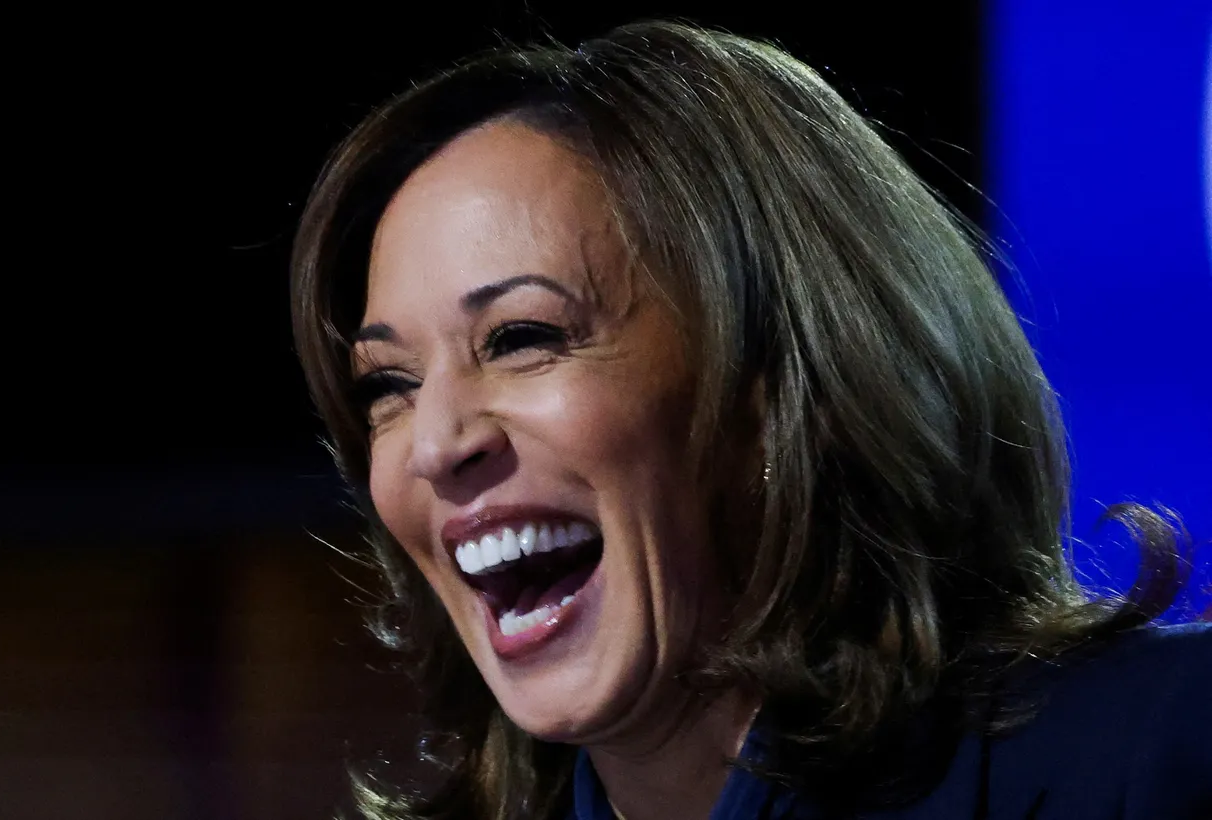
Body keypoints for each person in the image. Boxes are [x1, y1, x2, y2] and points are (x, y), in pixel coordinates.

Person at [288, 21, 1211, 820]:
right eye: (390, 386)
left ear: (779, 384)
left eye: (523, 337)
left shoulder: (1161, 756)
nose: (440, 442)